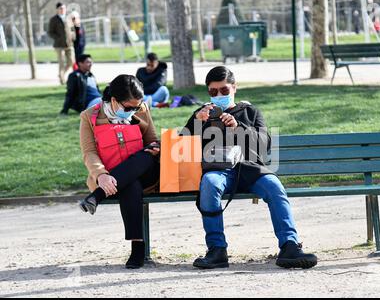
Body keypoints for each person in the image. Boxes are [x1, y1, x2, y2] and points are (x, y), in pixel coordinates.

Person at [183, 66, 318, 270]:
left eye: (224, 90)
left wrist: (238, 127)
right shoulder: (201, 113)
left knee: (274, 186)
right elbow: (182, 146)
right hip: (218, 170)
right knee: (209, 184)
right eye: (213, 92)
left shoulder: (250, 111)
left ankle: (290, 245)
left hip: (251, 170)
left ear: (234, 88)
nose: (219, 95)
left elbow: (265, 144)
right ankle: (216, 250)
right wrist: (196, 123)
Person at [78, 74, 160, 269]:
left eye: (137, 106)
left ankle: (96, 196)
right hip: (111, 177)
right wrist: (101, 175)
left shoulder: (142, 109)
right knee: (131, 183)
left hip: (146, 171)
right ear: (114, 100)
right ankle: (137, 248)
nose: (133, 110)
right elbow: (89, 153)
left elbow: (152, 140)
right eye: (129, 107)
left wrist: (156, 147)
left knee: (145, 156)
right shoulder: (89, 117)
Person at [48, 2, 75, 85]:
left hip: (69, 44)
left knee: (71, 61)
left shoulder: (68, 18)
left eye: (64, 8)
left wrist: (73, 37)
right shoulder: (54, 19)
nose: (62, 10)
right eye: (61, 8)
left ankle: (61, 74)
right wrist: (58, 38)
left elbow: (72, 29)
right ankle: (62, 80)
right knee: (61, 62)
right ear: (57, 10)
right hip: (59, 45)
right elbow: (50, 32)